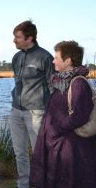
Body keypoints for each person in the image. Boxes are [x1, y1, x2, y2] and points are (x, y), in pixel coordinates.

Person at [30, 41, 96, 188]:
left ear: (68, 60)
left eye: (56, 57)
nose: (53, 61)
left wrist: (55, 130)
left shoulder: (78, 83)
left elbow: (79, 115)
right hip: (60, 145)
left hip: (71, 148)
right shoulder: (61, 81)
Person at [9, 20, 55, 188]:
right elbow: (17, 82)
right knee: (19, 153)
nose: (14, 40)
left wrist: (51, 113)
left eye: (17, 37)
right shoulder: (16, 57)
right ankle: (23, 185)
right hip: (16, 111)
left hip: (37, 113)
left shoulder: (45, 57)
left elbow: (53, 87)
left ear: (30, 38)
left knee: (40, 154)